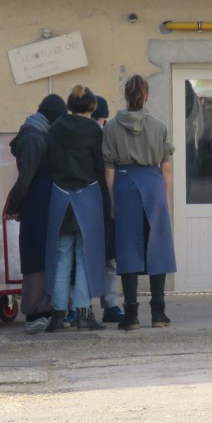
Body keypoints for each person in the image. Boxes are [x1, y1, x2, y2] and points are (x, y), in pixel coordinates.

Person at [103, 75, 177, 330]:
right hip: (153, 183)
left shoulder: (111, 127)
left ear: (126, 96)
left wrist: (113, 200)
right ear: (147, 96)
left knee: (128, 247)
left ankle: (131, 314)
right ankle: (159, 313)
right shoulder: (158, 126)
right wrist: (164, 197)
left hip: (124, 184)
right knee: (158, 244)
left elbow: (109, 169)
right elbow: (166, 167)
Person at [44, 85, 107, 332]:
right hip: (88, 195)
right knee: (85, 256)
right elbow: (100, 166)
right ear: (90, 108)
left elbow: (48, 161)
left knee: (61, 257)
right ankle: (84, 313)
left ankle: (58, 314)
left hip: (60, 196)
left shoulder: (55, 128)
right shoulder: (94, 130)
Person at [6, 93, 67, 334]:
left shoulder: (37, 133)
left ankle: (44, 308)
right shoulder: (34, 137)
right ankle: (34, 311)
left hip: (41, 201)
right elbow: (26, 178)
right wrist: (14, 206)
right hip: (37, 202)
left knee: (42, 254)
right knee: (36, 256)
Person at [92, 95, 125, 323]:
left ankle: (81, 305)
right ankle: (110, 303)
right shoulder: (109, 135)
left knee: (87, 255)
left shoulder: (100, 136)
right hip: (105, 200)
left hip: (95, 200)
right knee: (109, 258)